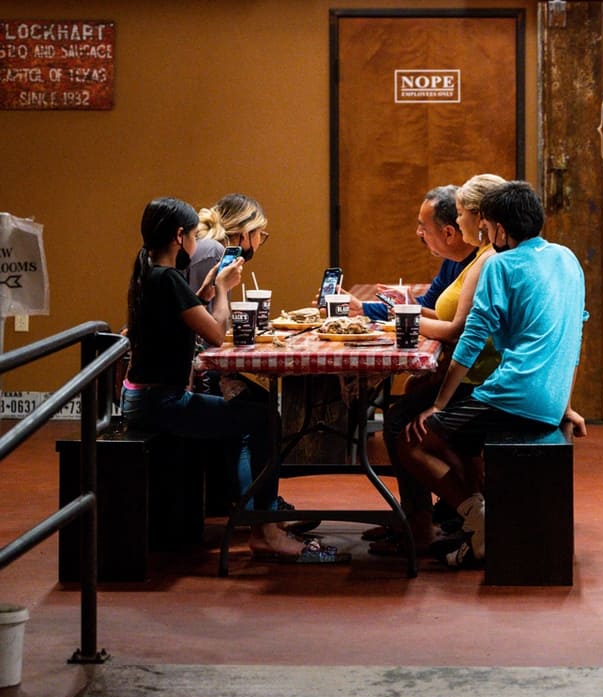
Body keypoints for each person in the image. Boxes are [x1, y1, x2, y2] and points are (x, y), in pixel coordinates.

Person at [120, 196, 343, 564]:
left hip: (142, 397)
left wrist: (205, 291)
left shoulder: (150, 275)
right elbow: (215, 334)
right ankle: (265, 530)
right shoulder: (167, 278)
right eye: (194, 235)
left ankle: (261, 517)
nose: (196, 242)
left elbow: (179, 319)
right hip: (162, 403)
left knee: (257, 413)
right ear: (179, 236)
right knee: (265, 419)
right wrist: (222, 291)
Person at [401, 180, 587, 569]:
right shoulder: (567, 258)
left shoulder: (500, 265)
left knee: (413, 440)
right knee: (462, 441)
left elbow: (470, 340)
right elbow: (574, 336)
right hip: (550, 399)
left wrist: (438, 405)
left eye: (485, 228)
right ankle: (478, 524)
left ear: (500, 229)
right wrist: (565, 405)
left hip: (513, 396)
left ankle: (480, 522)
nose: (484, 235)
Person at [372, 173, 505, 557]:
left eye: (461, 214)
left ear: (478, 217)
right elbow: (448, 316)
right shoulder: (475, 259)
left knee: (403, 427)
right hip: (473, 372)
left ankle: (444, 519)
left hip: (481, 378)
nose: (458, 224)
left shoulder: (487, 261)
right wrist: (403, 310)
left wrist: (401, 320)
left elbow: (459, 330)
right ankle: (451, 513)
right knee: (409, 406)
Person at [354, 184, 476, 320]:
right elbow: (429, 305)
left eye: (423, 227)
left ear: (449, 233)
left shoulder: (482, 264)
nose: (418, 232)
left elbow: (456, 327)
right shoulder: (453, 259)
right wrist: (362, 308)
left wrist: (412, 314)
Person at [187, 193, 270, 302]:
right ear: (245, 234)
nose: (259, 242)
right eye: (260, 233)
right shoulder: (213, 252)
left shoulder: (213, 250)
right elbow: (207, 312)